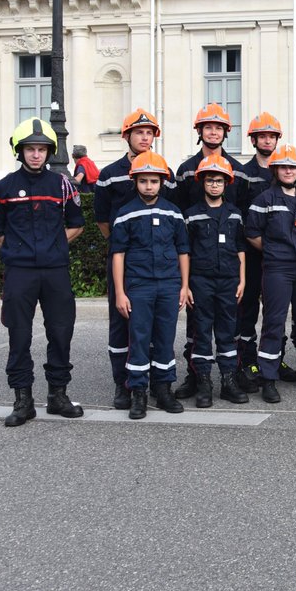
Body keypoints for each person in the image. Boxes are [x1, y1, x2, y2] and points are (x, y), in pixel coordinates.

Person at [0, 118, 85, 427]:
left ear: (49, 152)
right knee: (19, 335)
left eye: (41, 149)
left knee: (61, 332)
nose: (36, 155)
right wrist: (17, 249)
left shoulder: (62, 185)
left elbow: (76, 224)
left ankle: (58, 396)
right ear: (19, 151)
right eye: (30, 149)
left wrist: (52, 245)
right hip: (20, 273)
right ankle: (23, 401)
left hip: (55, 271)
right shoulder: (3, 188)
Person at [93, 109, 176, 409]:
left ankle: (156, 383)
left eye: (150, 132)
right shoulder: (109, 174)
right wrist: (121, 246)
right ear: (126, 135)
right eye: (139, 132)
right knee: (121, 323)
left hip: (158, 265)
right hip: (124, 261)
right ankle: (123, 384)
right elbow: (102, 219)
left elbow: (171, 217)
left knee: (156, 326)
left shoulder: (164, 169)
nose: (145, 137)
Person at [110, 150, 193, 419]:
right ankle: (138, 393)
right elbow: (118, 254)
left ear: (161, 182)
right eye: (143, 181)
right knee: (140, 339)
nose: (149, 186)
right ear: (135, 182)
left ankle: (164, 388)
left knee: (165, 339)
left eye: (154, 181)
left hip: (169, 285)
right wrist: (120, 292)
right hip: (139, 286)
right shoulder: (125, 214)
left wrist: (184, 286)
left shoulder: (173, 213)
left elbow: (183, 250)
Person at [174, 104, 249, 389]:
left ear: (226, 132)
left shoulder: (238, 171)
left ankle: (231, 374)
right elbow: (181, 222)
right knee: (198, 326)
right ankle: (197, 376)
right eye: (208, 127)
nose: (214, 131)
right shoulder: (185, 170)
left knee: (230, 325)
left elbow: (239, 218)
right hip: (199, 268)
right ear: (200, 131)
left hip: (228, 265)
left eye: (219, 127)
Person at [246, 145, 296, 399]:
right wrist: (274, 252)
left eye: (292, 167)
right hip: (278, 266)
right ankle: (268, 376)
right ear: (275, 170)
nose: (288, 171)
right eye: (283, 167)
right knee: (274, 321)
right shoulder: (264, 199)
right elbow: (252, 233)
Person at [234, 113, 282, 390]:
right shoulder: (244, 174)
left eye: (271, 136)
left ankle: (274, 358)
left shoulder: (285, 170)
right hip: (253, 254)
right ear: (253, 140)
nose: (267, 140)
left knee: (276, 310)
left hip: (281, 257)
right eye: (262, 136)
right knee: (248, 307)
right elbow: (239, 217)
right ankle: (248, 360)